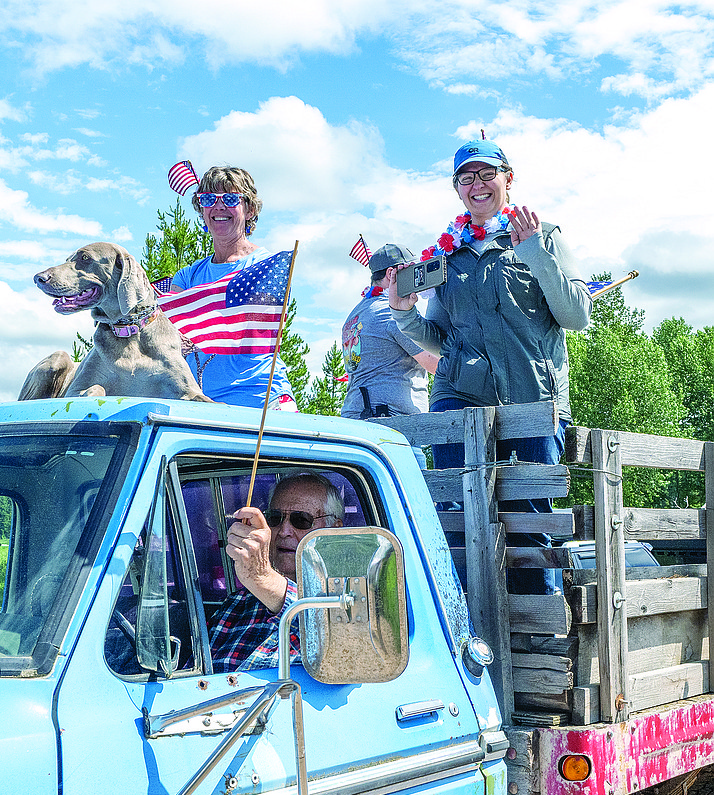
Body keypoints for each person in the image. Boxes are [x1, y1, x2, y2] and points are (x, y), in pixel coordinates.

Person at [386, 138, 592, 594]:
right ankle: (463, 633)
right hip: (460, 397)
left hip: (535, 399)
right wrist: (403, 313)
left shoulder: (546, 235)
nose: (477, 185)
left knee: (531, 523)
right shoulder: (445, 254)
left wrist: (535, 252)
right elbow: (439, 340)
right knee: (456, 522)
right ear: (457, 188)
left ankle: (539, 636)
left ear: (508, 178)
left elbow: (577, 317)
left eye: (487, 174)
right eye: (466, 177)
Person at [163, 166, 298, 409]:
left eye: (230, 198)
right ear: (201, 210)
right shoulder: (186, 276)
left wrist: (194, 326)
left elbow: (255, 326)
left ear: (250, 209)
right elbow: (170, 333)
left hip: (262, 402)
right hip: (202, 403)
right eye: (208, 199)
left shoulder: (267, 268)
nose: (219, 206)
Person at [210, 473, 344, 672]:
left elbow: (341, 649)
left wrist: (262, 578)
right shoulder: (236, 604)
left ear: (334, 531)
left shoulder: (347, 602)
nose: (283, 531)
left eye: (301, 520)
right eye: (275, 518)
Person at [340, 244, 440, 419]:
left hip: (355, 413)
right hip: (390, 420)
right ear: (390, 274)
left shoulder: (355, 314)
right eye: (410, 271)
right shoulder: (390, 313)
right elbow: (435, 364)